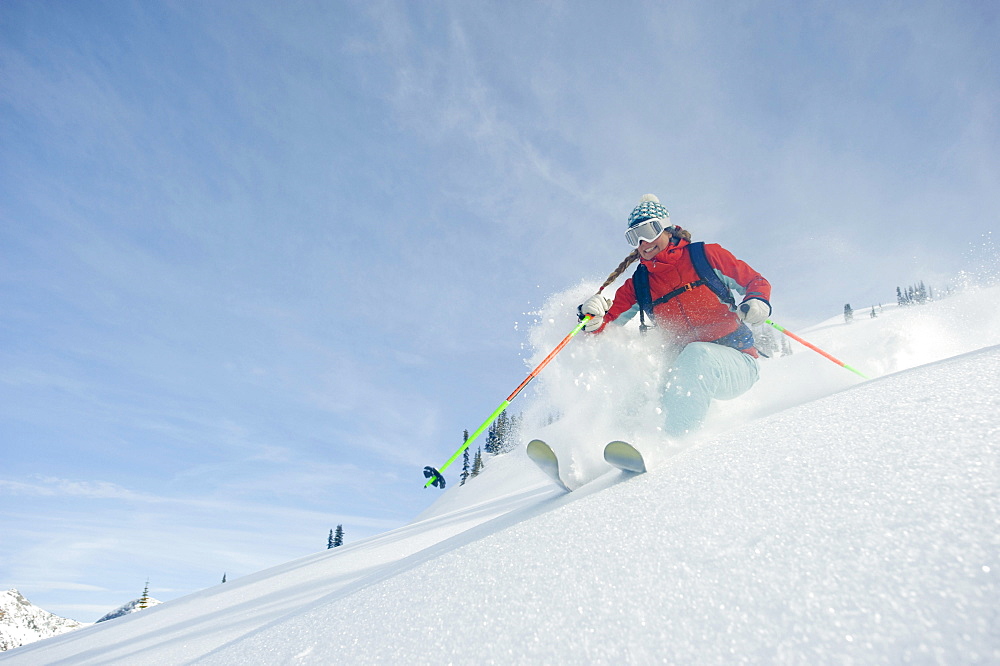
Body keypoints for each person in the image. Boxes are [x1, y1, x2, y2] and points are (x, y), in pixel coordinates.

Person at [579, 194, 772, 438]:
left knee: (697, 355)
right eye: (634, 237)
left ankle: (670, 445)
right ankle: (613, 445)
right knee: (640, 373)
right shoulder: (639, 283)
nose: (643, 242)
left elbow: (755, 281)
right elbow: (606, 324)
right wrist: (592, 318)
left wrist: (757, 301)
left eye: (649, 230)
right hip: (683, 375)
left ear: (668, 229)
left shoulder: (704, 256)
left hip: (737, 362)